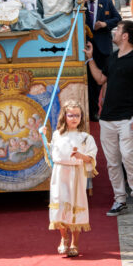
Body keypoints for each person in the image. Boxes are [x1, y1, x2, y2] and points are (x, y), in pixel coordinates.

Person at [83, 20, 133, 218]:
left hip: (126, 117)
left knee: (128, 156)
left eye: (118, 29)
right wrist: (90, 59)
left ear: (126, 36)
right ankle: (120, 199)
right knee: (112, 161)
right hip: (107, 118)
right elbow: (101, 79)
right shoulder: (112, 57)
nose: (115, 32)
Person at [41, 100, 98, 257]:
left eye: (77, 115)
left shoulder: (85, 137)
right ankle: (64, 238)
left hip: (75, 175)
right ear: (64, 116)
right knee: (60, 206)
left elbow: (92, 157)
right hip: (60, 174)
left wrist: (82, 156)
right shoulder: (57, 135)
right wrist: (43, 137)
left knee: (74, 206)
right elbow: (52, 154)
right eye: (71, 115)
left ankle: (75, 242)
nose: (74, 118)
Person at [84, 0, 121, 121]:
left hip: (104, 48)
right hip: (87, 46)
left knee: (104, 80)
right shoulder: (83, 2)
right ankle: (92, 111)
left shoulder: (106, 2)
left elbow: (118, 18)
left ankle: (105, 109)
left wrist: (105, 24)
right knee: (91, 82)